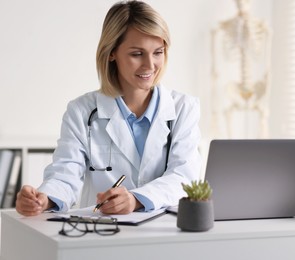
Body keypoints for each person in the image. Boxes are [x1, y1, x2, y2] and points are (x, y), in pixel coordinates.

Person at [15, 0, 201, 216]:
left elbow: (183, 176)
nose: (150, 65)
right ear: (112, 52)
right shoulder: (81, 112)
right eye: (137, 54)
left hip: (162, 233)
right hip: (101, 233)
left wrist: (135, 200)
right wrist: (43, 199)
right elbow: (65, 175)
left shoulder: (184, 108)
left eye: (158, 52)